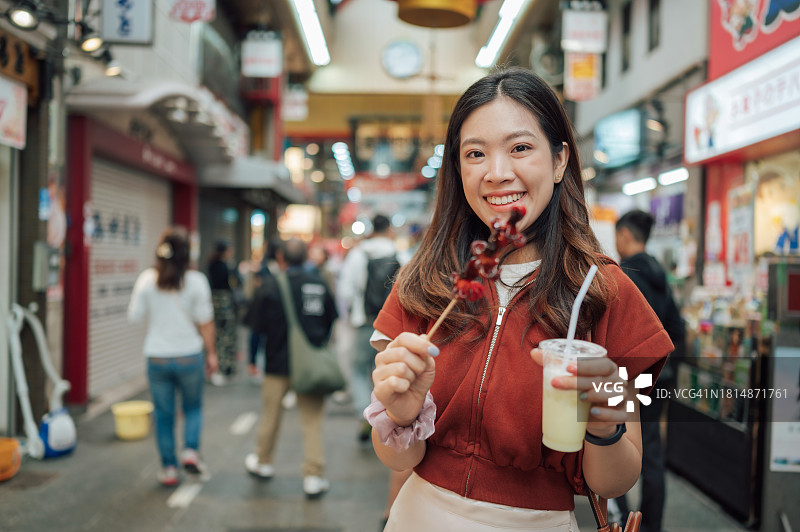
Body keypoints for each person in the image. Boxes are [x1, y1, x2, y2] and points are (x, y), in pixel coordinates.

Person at [365, 67, 674, 531]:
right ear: (457, 168)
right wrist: (401, 414)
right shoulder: (425, 282)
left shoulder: (605, 291)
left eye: (520, 148)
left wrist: (604, 420)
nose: (497, 173)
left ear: (559, 160)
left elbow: (615, 481)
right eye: (475, 154)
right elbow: (395, 457)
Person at [244, 238, 339, 498]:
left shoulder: (270, 285)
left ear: (281, 258)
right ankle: (313, 476)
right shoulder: (319, 283)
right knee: (312, 422)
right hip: (309, 365)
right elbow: (331, 319)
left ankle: (263, 462)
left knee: (270, 416)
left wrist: (252, 360)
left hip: (276, 363)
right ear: (306, 257)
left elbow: (256, 329)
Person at [128, 226, 218, 487]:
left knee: (164, 416)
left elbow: (134, 316)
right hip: (190, 356)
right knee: (192, 408)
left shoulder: (147, 279)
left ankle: (169, 468)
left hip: (157, 357)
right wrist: (211, 354)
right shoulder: (197, 281)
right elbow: (206, 322)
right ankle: (190, 451)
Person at [614, 209, 686, 532]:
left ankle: (617, 521)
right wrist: (666, 369)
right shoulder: (661, 276)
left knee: (615, 444)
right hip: (660, 378)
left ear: (625, 236)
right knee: (652, 453)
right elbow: (678, 328)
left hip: (629, 379)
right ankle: (649, 526)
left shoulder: (624, 274)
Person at [338, 214, 401, 443]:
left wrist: (352, 310)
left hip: (364, 322)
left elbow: (345, 291)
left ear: (372, 228)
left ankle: (364, 413)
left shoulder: (358, 254)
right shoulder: (400, 254)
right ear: (390, 229)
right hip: (392, 327)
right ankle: (385, 419)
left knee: (357, 370)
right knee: (384, 373)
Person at [207, 240, 239, 385]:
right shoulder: (225, 266)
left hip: (214, 303)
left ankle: (221, 367)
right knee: (224, 336)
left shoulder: (211, 264)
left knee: (218, 335)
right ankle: (223, 367)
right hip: (224, 305)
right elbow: (233, 283)